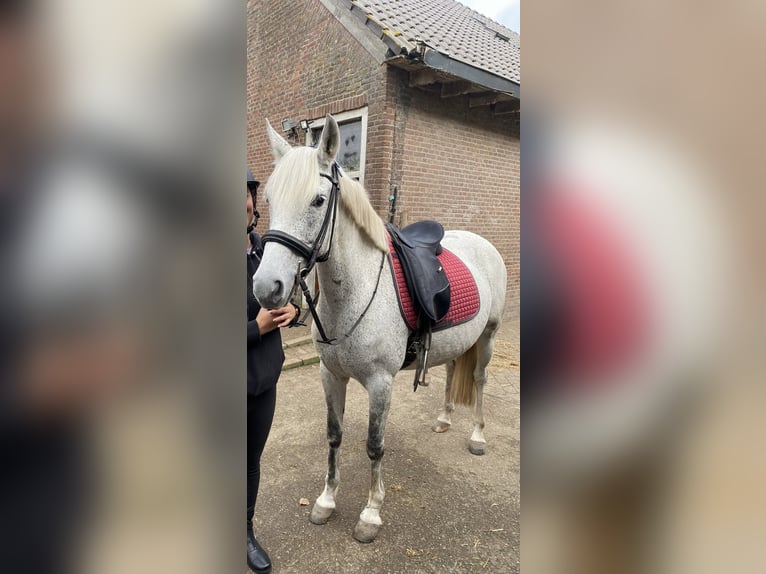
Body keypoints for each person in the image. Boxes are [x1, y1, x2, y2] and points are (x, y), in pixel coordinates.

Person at [246, 169, 299, 573]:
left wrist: (292, 312)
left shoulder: (264, 250)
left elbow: (284, 304)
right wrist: (257, 328)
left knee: (249, 461)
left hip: (263, 381)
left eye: (244, 194)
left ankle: (243, 531)